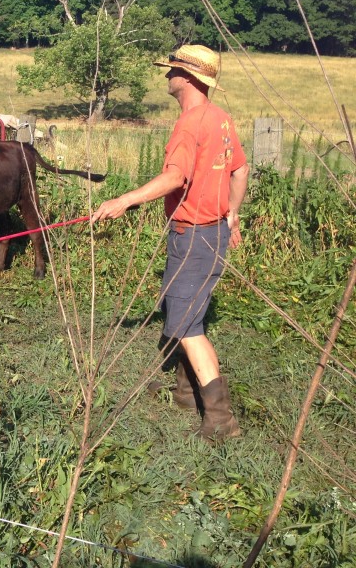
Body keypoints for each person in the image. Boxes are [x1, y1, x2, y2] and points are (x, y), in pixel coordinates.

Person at [91, 44, 249, 441]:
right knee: (186, 311)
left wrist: (124, 200)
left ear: (190, 78)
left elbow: (175, 179)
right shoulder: (221, 119)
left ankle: (221, 419)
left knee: (188, 324)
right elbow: (240, 169)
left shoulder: (190, 124)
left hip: (193, 235)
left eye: (172, 70)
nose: (167, 76)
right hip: (212, 232)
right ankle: (185, 392)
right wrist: (232, 214)